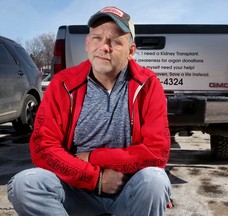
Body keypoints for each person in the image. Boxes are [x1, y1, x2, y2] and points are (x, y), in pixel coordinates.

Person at [7, 6, 172, 216]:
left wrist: (93, 157)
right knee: (25, 185)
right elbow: (43, 147)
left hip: (126, 190)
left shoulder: (148, 85)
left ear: (131, 51)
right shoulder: (62, 84)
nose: (104, 47)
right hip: (74, 189)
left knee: (155, 181)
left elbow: (157, 153)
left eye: (115, 41)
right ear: (87, 43)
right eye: (97, 38)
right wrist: (96, 179)